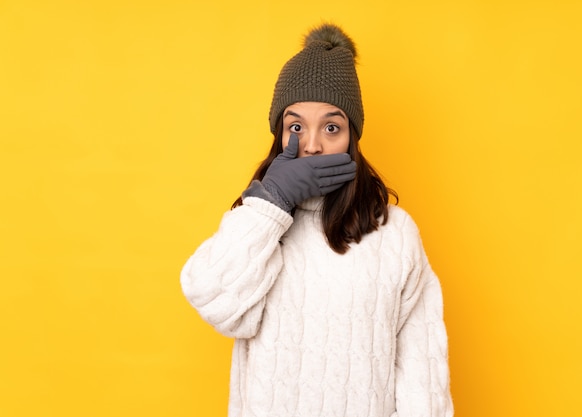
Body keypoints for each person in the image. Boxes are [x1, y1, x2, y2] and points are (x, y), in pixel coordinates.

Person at [181, 23, 454, 417]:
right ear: (278, 134)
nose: (311, 144)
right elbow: (215, 304)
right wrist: (272, 202)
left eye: (331, 127)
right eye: (295, 127)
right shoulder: (257, 222)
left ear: (352, 138)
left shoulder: (394, 232)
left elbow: (423, 383)